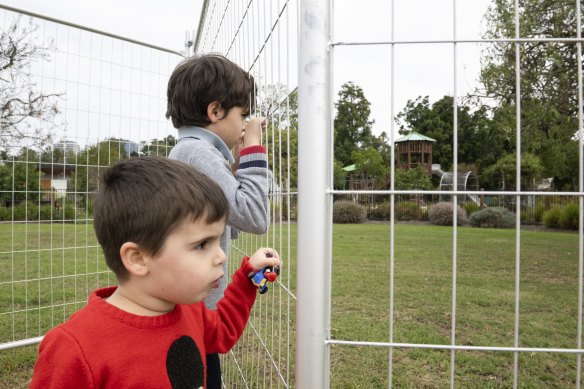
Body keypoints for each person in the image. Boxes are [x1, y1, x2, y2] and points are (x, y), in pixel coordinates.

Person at [29, 157, 280, 389]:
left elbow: (223, 330)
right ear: (138, 259)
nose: (222, 256)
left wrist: (249, 279)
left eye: (217, 241)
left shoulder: (189, 309)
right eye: (202, 244)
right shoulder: (74, 349)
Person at [166, 53, 271, 387]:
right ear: (215, 111)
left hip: (194, 308)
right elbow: (254, 215)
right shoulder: (197, 151)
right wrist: (254, 146)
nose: (244, 124)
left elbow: (232, 222)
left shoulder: (191, 150)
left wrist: (239, 163)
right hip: (195, 311)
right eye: (242, 114)